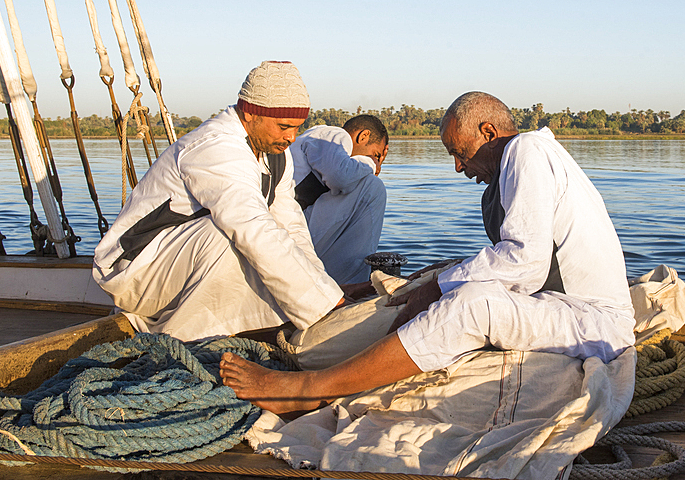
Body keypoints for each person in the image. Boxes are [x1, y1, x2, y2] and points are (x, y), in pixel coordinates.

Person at [220, 91, 636, 417]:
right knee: (451, 280)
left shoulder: (527, 152)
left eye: (460, 152)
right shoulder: (522, 162)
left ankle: (306, 391)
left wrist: (437, 287)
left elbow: (524, 264)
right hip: (562, 307)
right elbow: (521, 259)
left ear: (489, 133)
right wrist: (445, 272)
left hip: (592, 320)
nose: (458, 167)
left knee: (473, 305)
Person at [93, 61, 346, 342]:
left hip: (176, 265)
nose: (291, 138)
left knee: (275, 235)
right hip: (134, 271)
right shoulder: (214, 147)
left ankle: (263, 327)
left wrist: (326, 292)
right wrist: (322, 303)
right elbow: (251, 227)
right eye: (284, 126)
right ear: (250, 113)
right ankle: (180, 338)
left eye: (298, 128)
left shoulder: (276, 155)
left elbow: (292, 224)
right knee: (232, 234)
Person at [290, 115, 389, 284]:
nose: (378, 167)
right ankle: (354, 283)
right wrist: (370, 163)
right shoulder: (332, 134)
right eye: (376, 154)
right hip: (290, 226)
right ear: (363, 136)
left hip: (294, 224)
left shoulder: (319, 145)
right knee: (373, 187)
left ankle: (334, 280)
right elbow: (340, 176)